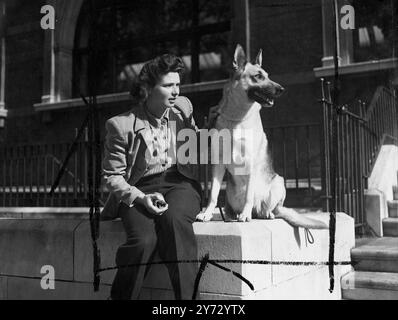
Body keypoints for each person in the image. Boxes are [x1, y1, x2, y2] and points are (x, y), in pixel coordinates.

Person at [101, 54, 202, 300]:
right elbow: (113, 176)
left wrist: (192, 127)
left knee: (174, 220)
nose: (176, 91)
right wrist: (140, 198)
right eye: (168, 85)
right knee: (144, 241)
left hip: (180, 183)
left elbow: (199, 153)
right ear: (147, 89)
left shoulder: (183, 110)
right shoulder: (120, 125)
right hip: (139, 187)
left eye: (178, 84)